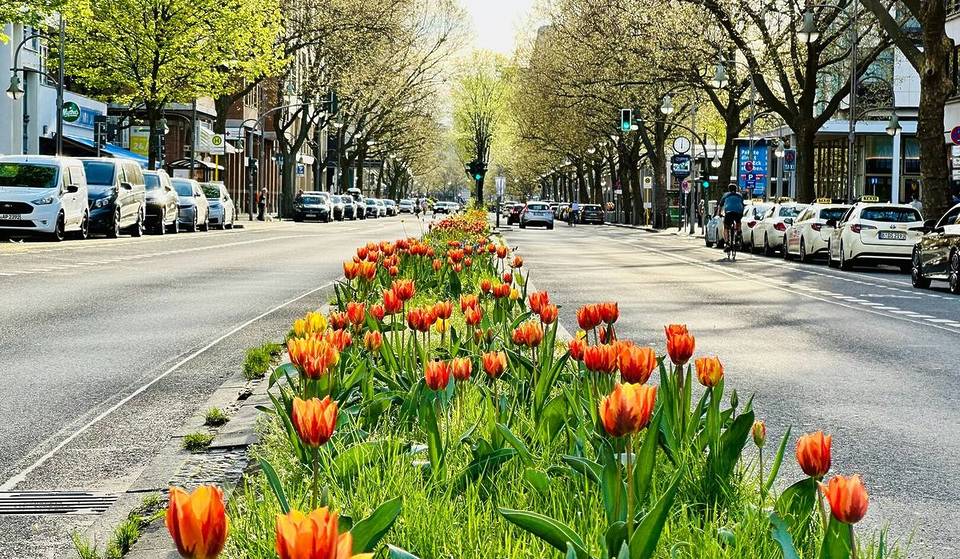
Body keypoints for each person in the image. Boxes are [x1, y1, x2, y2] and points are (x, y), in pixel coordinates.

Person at [717, 184, 745, 252]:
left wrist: (719, 213)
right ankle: (738, 234)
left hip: (728, 212)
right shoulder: (740, 195)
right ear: (736, 189)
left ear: (729, 189)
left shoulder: (726, 195)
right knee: (738, 222)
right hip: (738, 211)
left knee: (726, 227)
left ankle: (727, 244)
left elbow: (720, 205)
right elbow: (742, 204)